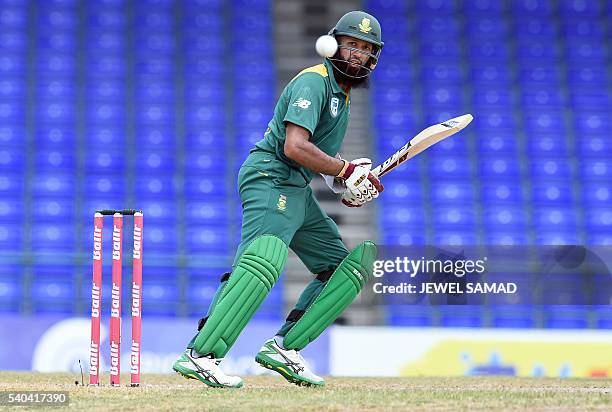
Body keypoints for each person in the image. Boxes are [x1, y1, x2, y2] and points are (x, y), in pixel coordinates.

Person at [173, 10, 384, 388]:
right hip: (271, 176)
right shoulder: (314, 82)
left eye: (366, 49)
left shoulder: (343, 96)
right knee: (263, 261)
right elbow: (294, 146)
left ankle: (285, 348)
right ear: (334, 45)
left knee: (343, 268)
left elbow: (318, 158)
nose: (358, 55)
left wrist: (344, 186)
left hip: (297, 187)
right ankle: (202, 355)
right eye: (352, 45)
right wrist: (345, 170)